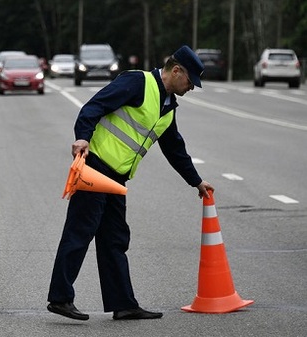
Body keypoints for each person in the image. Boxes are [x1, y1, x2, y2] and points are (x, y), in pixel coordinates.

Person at [47, 45, 215, 321]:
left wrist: (196, 181)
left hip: (116, 178)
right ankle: (60, 298)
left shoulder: (167, 108)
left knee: (115, 239)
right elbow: (94, 106)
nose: (192, 88)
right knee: (80, 231)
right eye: (190, 81)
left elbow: (174, 148)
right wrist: (82, 137)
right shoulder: (138, 82)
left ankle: (123, 304)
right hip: (95, 168)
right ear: (176, 71)